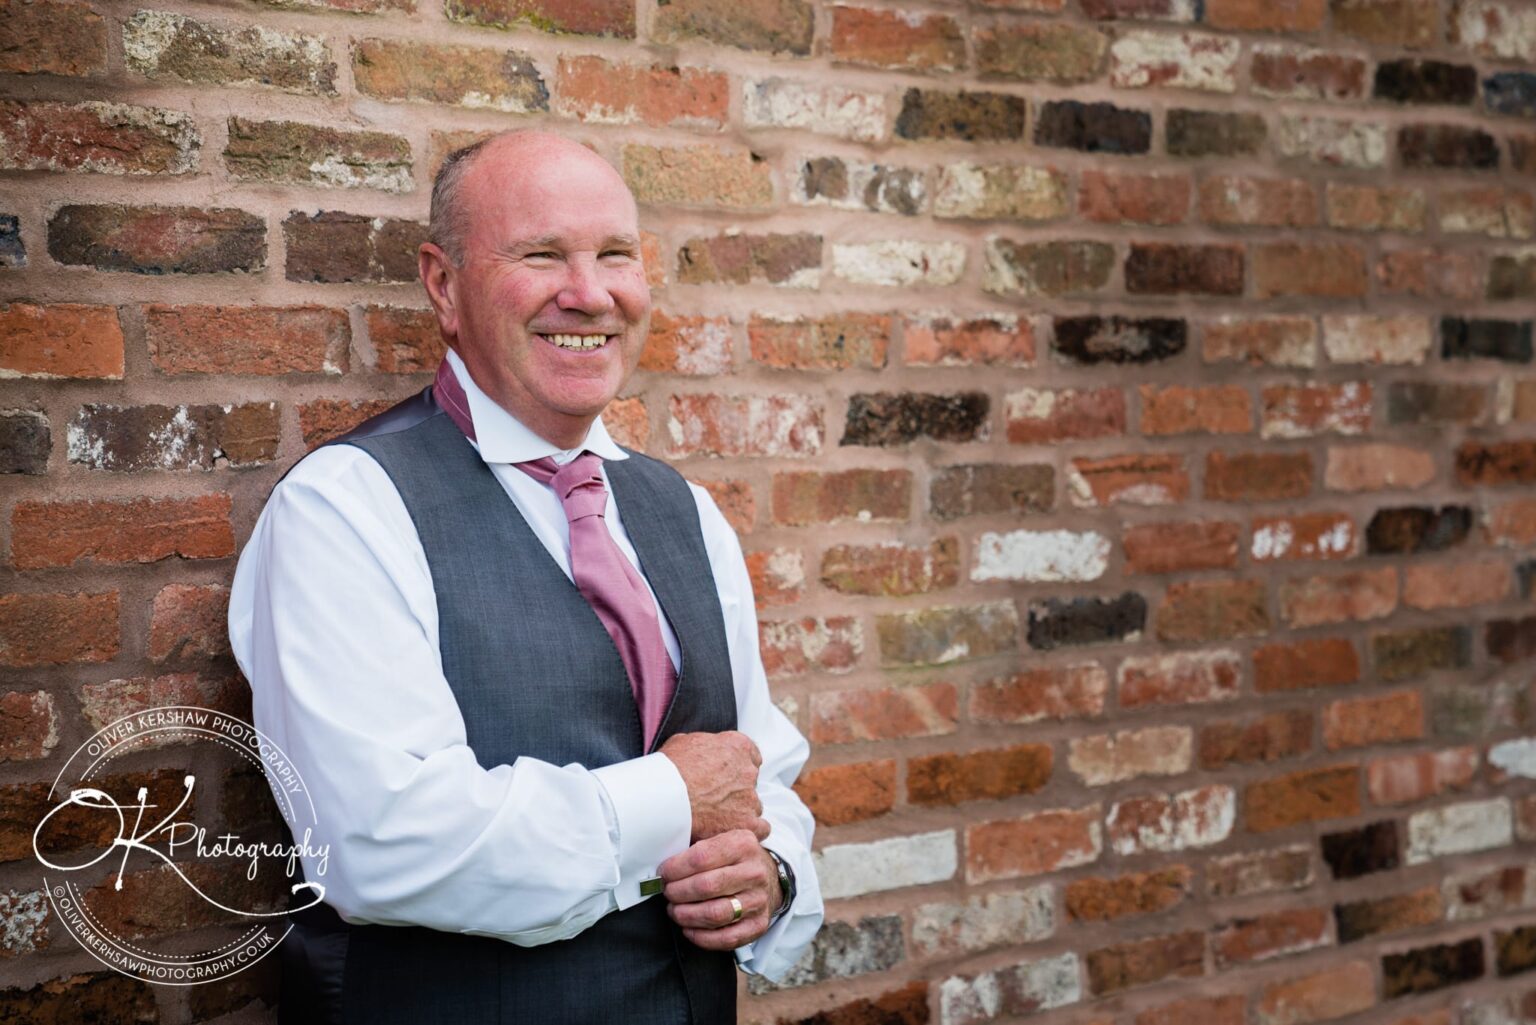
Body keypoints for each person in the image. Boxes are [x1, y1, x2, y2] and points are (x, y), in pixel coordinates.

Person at [228, 130, 822, 1024]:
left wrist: (769, 872)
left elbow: (758, 769)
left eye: (615, 254)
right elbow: (377, 839)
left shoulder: (685, 509)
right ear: (442, 283)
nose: (590, 294)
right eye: (542, 255)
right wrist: (669, 800)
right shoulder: (345, 508)